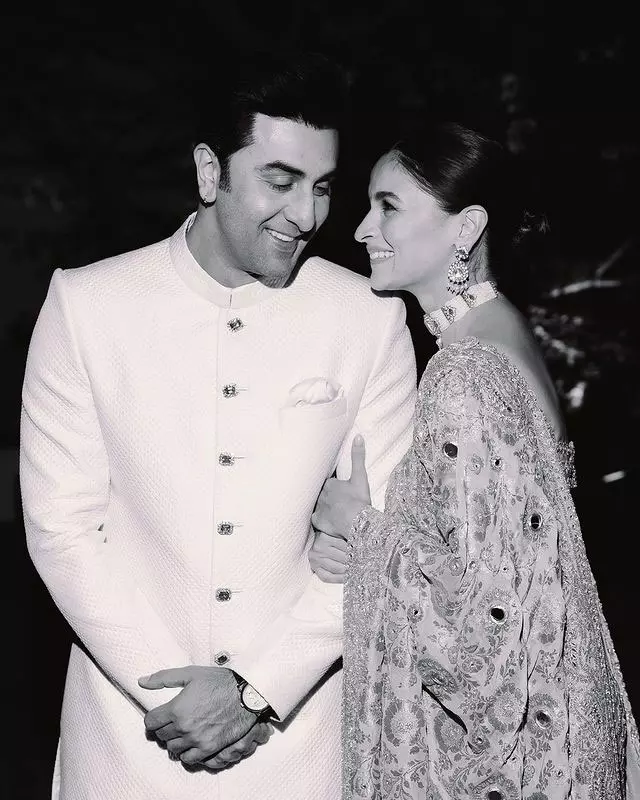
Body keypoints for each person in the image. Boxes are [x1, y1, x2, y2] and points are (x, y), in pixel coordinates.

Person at [19, 52, 417, 800]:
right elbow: (61, 528)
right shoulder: (87, 305)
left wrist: (258, 690)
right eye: (280, 181)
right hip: (128, 740)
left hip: (299, 746)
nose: (307, 215)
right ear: (210, 172)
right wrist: (172, 694)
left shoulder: (369, 319)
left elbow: (388, 540)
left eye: (322, 186)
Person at [309, 121, 640, 799]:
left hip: (514, 769)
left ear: (466, 228)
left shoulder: (464, 373)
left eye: (388, 206)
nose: (363, 229)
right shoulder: (506, 333)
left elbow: (485, 630)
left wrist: (359, 528)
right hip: (565, 738)